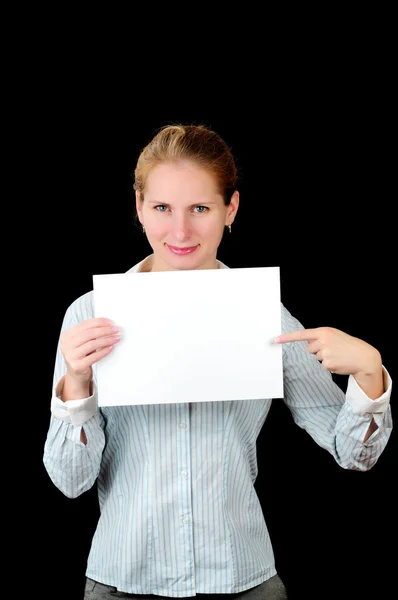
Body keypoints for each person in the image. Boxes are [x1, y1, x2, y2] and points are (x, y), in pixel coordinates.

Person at [43, 124, 393, 600]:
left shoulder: (266, 315)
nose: (181, 230)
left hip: (242, 578)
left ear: (230, 209)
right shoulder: (88, 315)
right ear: (140, 207)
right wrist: (78, 382)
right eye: (163, 207)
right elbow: (69, 482)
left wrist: (369, 371)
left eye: (201, 209)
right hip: (123, 580)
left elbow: (353, 454)